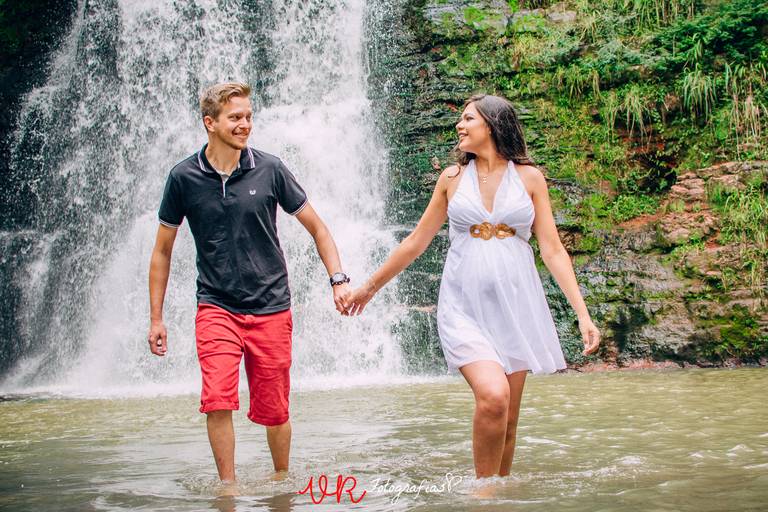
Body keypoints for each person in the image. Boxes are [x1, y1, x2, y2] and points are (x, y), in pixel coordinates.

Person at [344, 94, 600, 478]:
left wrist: (582, 314)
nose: (459, 126)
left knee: (508, 419)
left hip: (516, 308)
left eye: (468, 119)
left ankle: (500, 496)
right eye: (461, 119)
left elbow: (552, 249)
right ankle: (483, 493)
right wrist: (368, 288)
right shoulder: (452, 179)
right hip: (462, 308)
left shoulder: (529, 178)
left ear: (492, 125)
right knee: (494, 397)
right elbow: (415, 242)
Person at [147, 82, 351, 485]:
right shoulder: (183, 177)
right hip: (216, 306)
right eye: (235, 117)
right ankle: (228, 489)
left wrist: (338, 279)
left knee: (275, 410)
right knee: (217, 399)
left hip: (271, 305)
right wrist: (156, 318)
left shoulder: (270, 169)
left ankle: (281, 483)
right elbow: (162, 251)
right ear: (210, 123)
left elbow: (318, 228)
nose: (245, 124)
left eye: (248, 116)